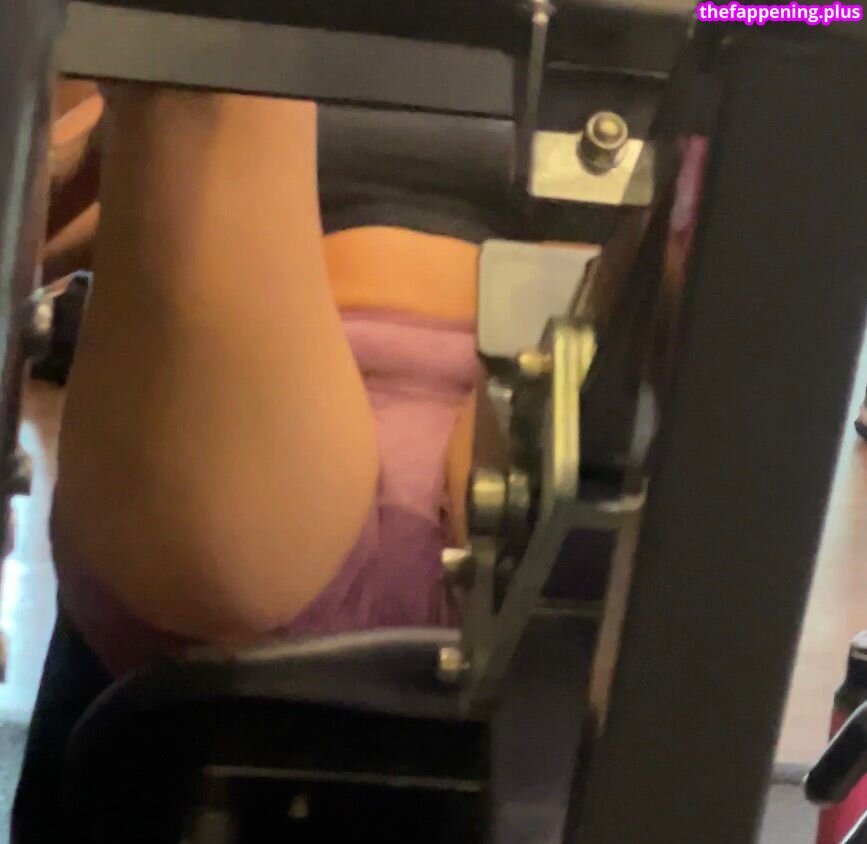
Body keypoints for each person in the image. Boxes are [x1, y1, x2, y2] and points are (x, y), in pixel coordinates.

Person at [13, 83, 509, 841]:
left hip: (525, 451)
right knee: (215, 84)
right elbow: (63, 218)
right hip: (262, 466)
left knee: (700, 122)